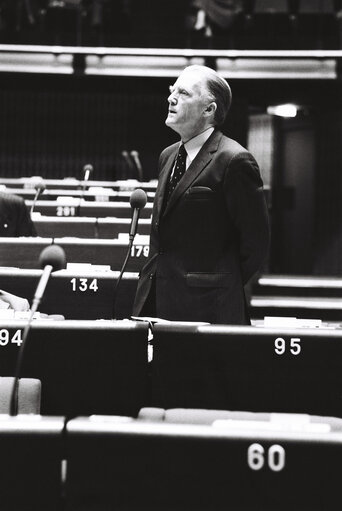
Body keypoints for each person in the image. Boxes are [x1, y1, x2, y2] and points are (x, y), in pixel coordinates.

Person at [133, 64, 269, 325]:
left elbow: (256, 242)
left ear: (209, 109)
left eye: (183, 93)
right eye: (172, 90)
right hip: (157, 300)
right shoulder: (168, 155)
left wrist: (218, 282)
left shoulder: (234, 160)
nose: (171, 98)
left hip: (210, 309)